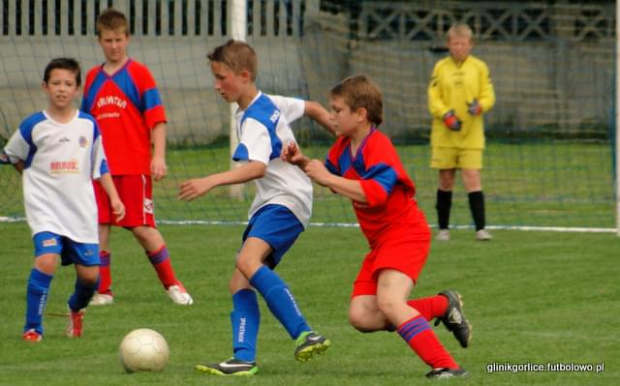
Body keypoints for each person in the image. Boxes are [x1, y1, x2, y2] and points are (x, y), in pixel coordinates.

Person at [282, 74, 471, 379]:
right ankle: (441, 305)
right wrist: (302, 161)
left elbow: (376, 193)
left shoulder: (378, 146)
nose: (331, 116)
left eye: (337, 109)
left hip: (405, 232)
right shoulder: (343, 147)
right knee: (362, 316)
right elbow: (331, 176)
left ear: (360, 114)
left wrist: (327, 178)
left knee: (390, 302)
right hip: (380, 242)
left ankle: (446, 365)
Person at [178, 39, 334, 376]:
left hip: (285, 200)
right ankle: (243, 359)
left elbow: (257, 168)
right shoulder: (269, 102)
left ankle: (305, 333)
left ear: (244, 75)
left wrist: (209, 181)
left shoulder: (254, 120)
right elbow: (315, 108)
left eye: (222, 77)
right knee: (240, 281)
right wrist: (344, 134)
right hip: (279, 202)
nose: (216, 85)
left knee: (247, 261)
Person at [2, 58, 125, 342]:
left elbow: (100, 165)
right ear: (45, 87)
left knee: (90, 278)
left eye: (68, 84)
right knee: (46, 260)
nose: (61, 89)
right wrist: (35, 179)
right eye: (56, 83)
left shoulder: (88, 125)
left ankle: (75, 308)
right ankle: (33, 328)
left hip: (80, 212)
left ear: (77, 89)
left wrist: (115, 198)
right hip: (45, 210)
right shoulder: (33, 125)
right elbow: (14, 156)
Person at [81, 8, 192, 305]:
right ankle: (103, 291)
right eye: (108, 40)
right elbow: (85, 126)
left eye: (118, 39)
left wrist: (159, 157)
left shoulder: (139, 74)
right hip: (98, 170)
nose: (114, 45)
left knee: (143, 229)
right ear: (99, 41)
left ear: (127, 38)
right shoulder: (91, 78)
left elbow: (157, 119)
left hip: (133, 167)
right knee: (98, 228)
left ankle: (173, 285)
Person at [428, 23, 496, 241]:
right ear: (449, 44)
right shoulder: (440, 68)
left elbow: (488, 94)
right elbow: (433, 97)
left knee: (472, 177)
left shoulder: (480, 67)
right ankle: (443, 229)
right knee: (446, 179)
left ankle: (480, 229)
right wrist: (445, 114)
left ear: (470, 44)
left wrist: (480, 106)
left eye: (463, 43)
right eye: (455, 43)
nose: (459, 47)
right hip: (444, 134)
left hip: (472, 134)